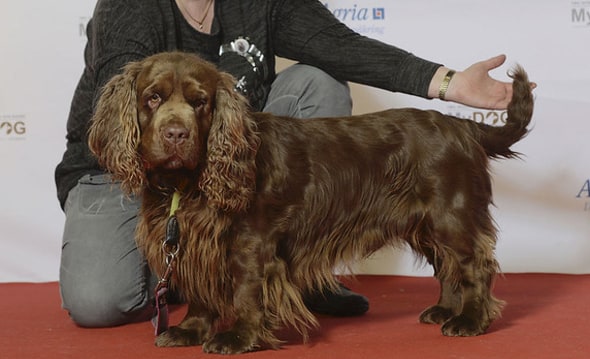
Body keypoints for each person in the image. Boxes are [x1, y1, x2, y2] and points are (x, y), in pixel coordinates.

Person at [55, 0, 520, 328]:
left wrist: (450, 83)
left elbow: (342, 46)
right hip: (122, 171)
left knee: (320, 78)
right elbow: (120, 112)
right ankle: (202, 274)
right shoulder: (127, 7)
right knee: (100, 302)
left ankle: (297, 263)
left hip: (223, 155)